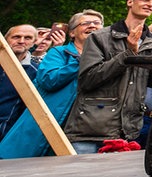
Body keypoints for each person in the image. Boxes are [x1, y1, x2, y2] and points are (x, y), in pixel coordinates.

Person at [66, 0, 152, 153]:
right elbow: (87, 79)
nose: (150, 4)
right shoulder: (99, 37)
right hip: (92, 129)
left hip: (128, 131)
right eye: (145, 0)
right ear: (130, 2)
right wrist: (128, 54)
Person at [0, 10, 102, 158]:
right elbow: (49, 80)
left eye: (97, 23)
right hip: (49, 123)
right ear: (72, 33)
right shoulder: (59, 53)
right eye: (86, 23)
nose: (92, 26)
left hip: (85, 127)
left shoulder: (106, 57)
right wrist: (83, 60)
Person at [0, 24, 39, 140]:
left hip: (7, 136)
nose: (21, 41)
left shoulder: (36, 72)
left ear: (34, 42)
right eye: (16, 37)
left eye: (27, 38)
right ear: (6, 39)